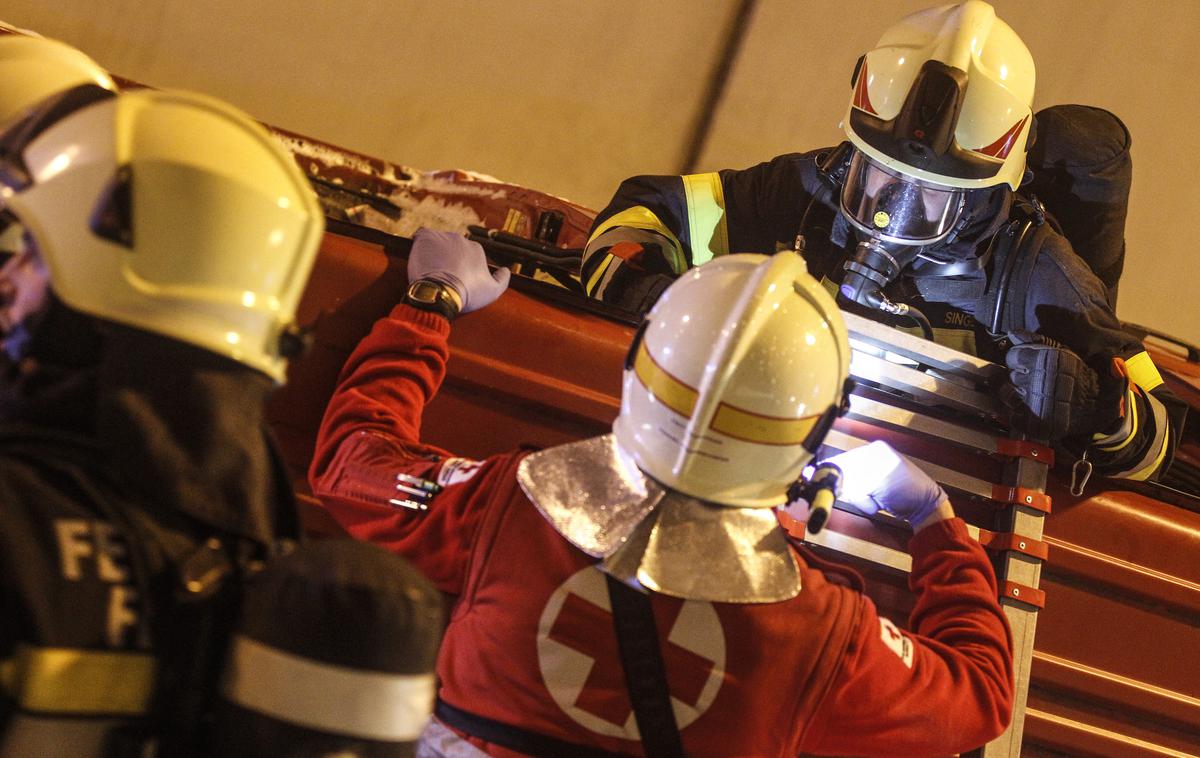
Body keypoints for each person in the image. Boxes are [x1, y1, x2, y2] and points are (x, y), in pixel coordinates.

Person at [310, 228, 1014, 756]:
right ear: (814, 428)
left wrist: (432, 301)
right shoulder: (823, 632)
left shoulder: (513, 502)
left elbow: (351, 466)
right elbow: (980, 695)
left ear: (637, 361)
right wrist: (934, 524)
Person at [0, 79, 443, 756]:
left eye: (33, 250)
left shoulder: (15, 513)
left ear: (104, 272)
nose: (9, 277)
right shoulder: (258, 529)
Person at [579, 0, 1182, 486]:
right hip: (761, 470)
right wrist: (641, 284)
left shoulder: (1036, 272)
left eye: (932, 195)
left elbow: (1157, 442)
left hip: (923, 518)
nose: (894, 210)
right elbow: (649, 211)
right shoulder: (807, 191)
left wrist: (1098, 405)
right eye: (880, 177)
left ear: (985, 189)